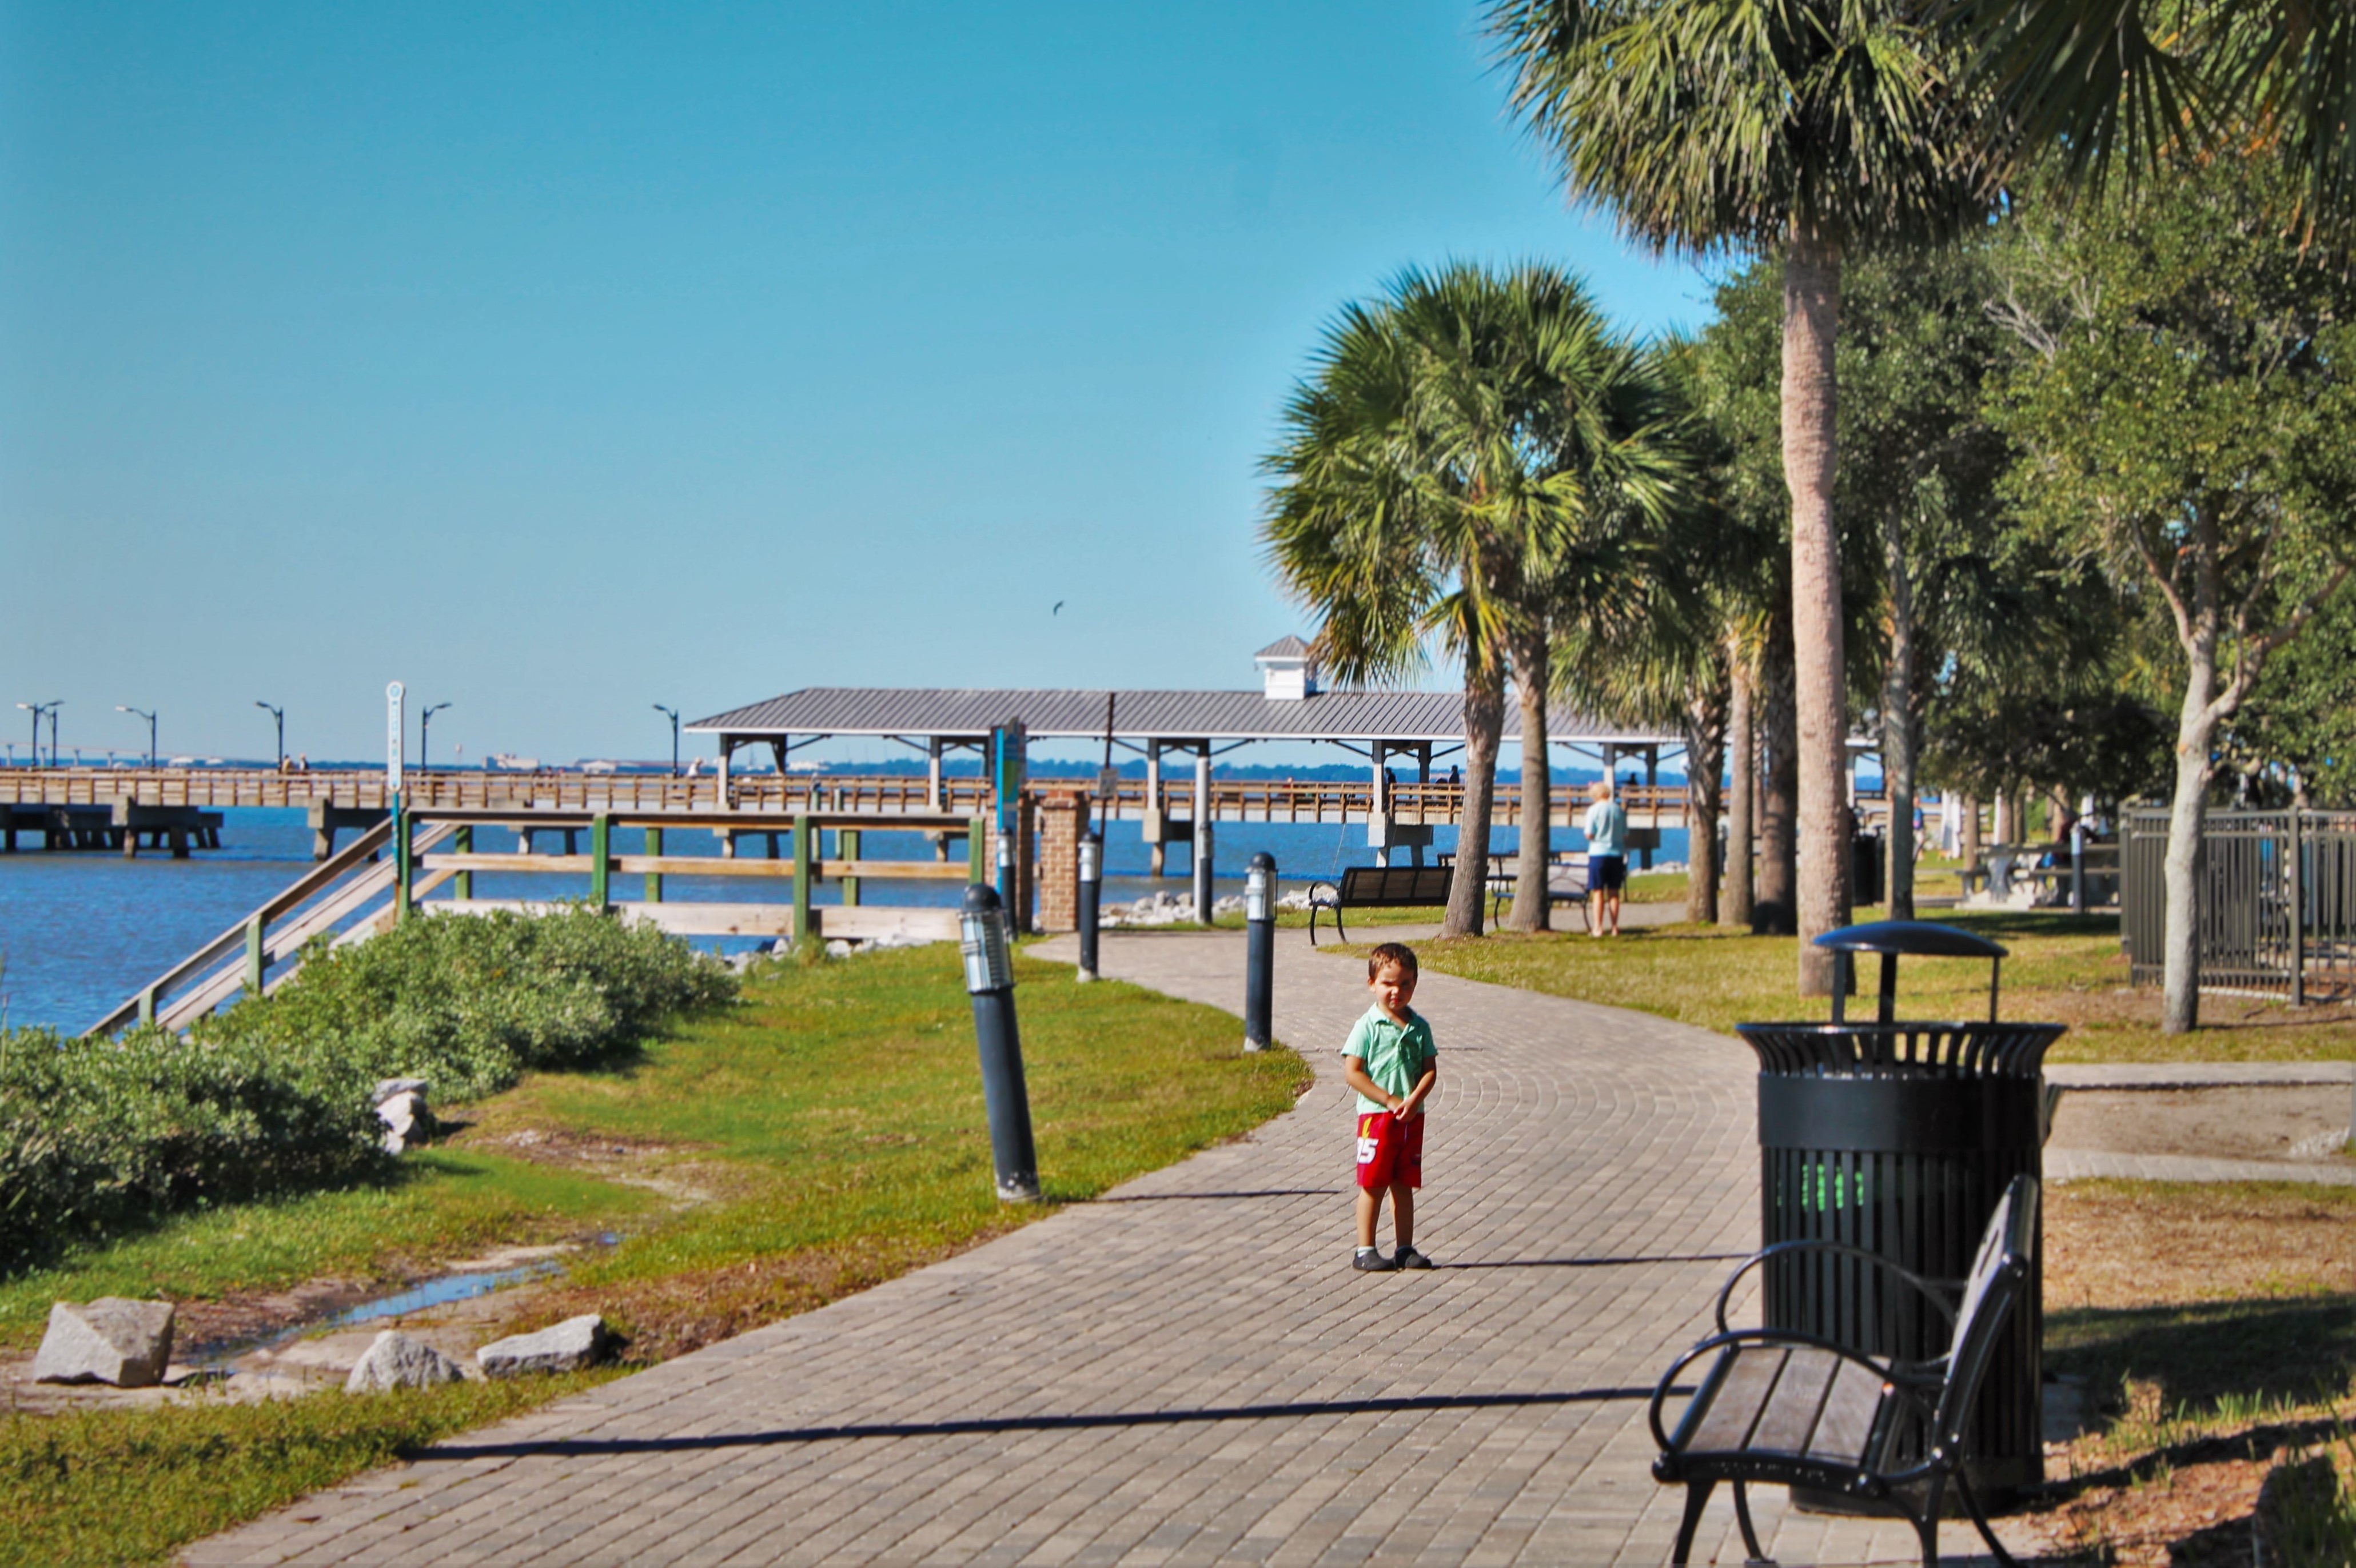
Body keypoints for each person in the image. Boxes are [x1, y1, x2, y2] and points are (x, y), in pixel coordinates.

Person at [1341, 941, 1438, 1272]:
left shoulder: (1419, 1027)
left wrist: (1415, 1099)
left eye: (1405, 984)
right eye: (1388, 983)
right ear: (1372, 984)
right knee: (1374, 1183)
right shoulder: (1367, 1026)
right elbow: (1353, 1072)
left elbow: (1430, 1070)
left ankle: (1404, 1248)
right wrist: (1388, 1099)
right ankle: (1365, 1249)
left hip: (1410, 1118)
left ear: (1415, 983)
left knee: (1403, 1183)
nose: (1397, 991)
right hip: (1376, 1117)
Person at [1584, 779, 1628, 936]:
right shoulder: (1619, 810)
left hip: (1598, 853)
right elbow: (1625, 834)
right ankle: (1615, 927)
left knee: (1598, 892)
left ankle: (1598, 927)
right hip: (1616, 853)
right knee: (1614, 892)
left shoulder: (1593, 810)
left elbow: (1589, 834)